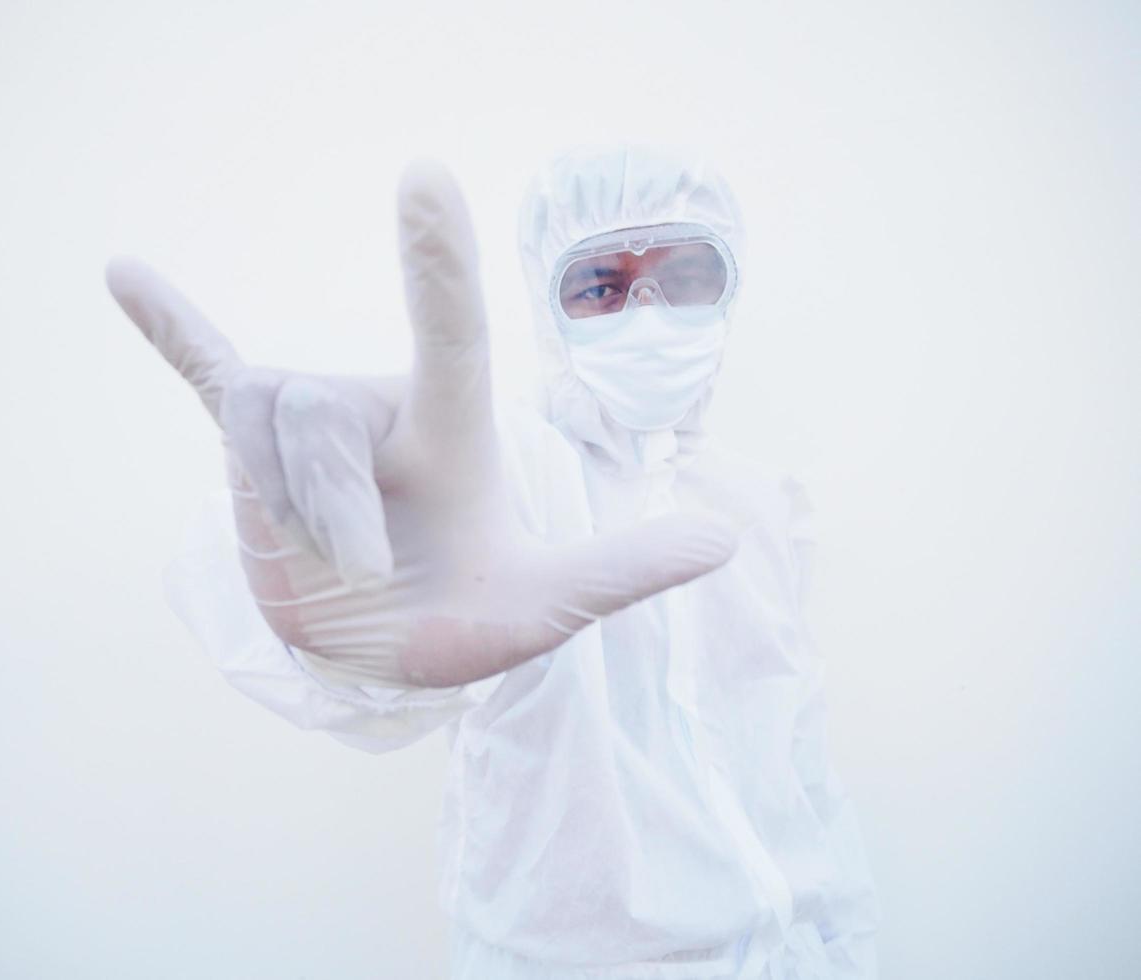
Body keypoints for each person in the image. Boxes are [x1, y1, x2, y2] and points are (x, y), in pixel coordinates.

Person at [105, 144, 881, 978]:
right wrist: (337, 643)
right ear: (550, 304)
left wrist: (851, 949)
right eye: (601, 285)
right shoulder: (508, 475)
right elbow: (390, 650)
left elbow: (800, 772)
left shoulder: (762, 506)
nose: (647, 313)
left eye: (685, 274)